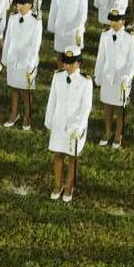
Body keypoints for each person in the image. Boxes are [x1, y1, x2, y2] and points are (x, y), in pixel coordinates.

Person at [45, 48, 93, 203]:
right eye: (65, 62)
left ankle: (68, 186)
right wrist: (49, 120)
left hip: (74, 125)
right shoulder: (58, 76)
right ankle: (57, 184)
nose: (67, 66)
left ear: (79, 63)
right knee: (58, 154)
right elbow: (52, 98)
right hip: (59, 122)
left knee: (73, 157)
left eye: (71, 63)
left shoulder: (85, 81)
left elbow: (86, 107)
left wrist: (80, 126)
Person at [94, 10, 134, 148]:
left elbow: (133, 60)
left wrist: (127, 76)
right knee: (107, 106)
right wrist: (98, 74)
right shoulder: (105, 35)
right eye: (111, 20)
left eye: (116, 20)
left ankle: (118, 134)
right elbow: (101, 56)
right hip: (108, 75)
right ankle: (107, 131)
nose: (112, 23)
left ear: (123, 21)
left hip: (122, 78)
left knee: (120, 108)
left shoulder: (130, 37)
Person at [2, 0, 42, 129]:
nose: (19, 6)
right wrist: (5, 57)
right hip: (13, 58)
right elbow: (8, 38)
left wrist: (30, 64)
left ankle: (27, 116)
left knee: (26, 90)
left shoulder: (36, 22)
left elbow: (35, 45)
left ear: (30, 5)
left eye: (22, 3)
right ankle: (14, 114)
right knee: (14, 87)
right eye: (18, 3)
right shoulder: (13, 18)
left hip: (27, 61)